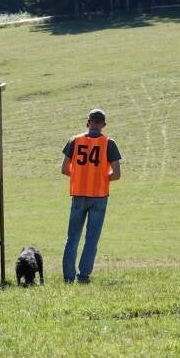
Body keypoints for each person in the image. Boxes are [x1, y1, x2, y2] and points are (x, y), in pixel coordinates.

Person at [60, 108, 122, 283]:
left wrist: (79, 176)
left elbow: (64, 169)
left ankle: (68, 277)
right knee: (92, 238)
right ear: (103, 125)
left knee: (72, 238)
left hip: (78, 194)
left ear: (88, 123)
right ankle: (84, 276)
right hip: (99, 196)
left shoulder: (75, 140)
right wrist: (101, 178)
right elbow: (116, 174)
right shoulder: (109, 143)